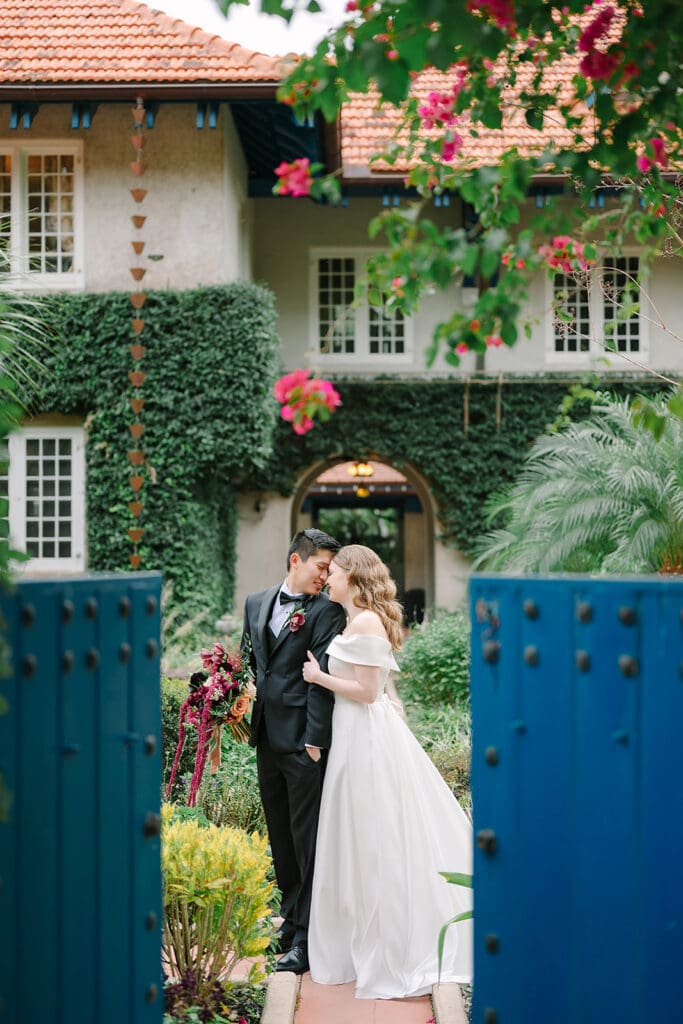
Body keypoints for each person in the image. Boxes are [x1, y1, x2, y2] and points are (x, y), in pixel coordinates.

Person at [302, 544, 473, 999]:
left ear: (353, 577)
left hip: (364, 738)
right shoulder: (356, 620)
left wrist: (319, 677)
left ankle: (389, 947)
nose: (327, 579)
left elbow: (366, 690)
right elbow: (383, 684)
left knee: (374, 835)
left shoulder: (366, 622)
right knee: (358, 835)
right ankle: (357, 941)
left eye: (334, 572)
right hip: (355, 733)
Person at [242, 527, 346, 975]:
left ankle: (306, 938)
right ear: (295, 561)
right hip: (265, 737)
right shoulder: (255, 602)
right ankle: (289, 922)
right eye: (321, 566)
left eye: (330, 569)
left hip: (304, 743)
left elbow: (321, 681)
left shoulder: (328, 612)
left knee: (307, 841)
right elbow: (252, 663)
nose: (325, 576)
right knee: (280, 836)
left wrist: (315, 741)